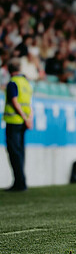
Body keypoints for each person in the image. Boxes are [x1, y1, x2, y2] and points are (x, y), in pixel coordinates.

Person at [3, 58, 33, 191]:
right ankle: (21, 182)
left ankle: (19, 183)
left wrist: (23, 117)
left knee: (14, 153)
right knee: (20, 152)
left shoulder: (12, 83)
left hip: (14, 122)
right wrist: (29, 119)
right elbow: (29, 103)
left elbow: (15, 102)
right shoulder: (26, 83)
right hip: (24, 122)